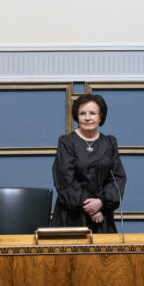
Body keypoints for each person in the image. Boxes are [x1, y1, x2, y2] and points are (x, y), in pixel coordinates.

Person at [52, 93, 126, 233]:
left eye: (92, 113)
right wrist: (91, 209)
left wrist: (101, 203)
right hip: (72, 217)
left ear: (100, 116)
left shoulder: (109, 143)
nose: (87, 118)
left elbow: (118, 177)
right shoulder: (67, 142)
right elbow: (65, 180)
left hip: (102, 216)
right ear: (76, 116)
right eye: (82, 113)